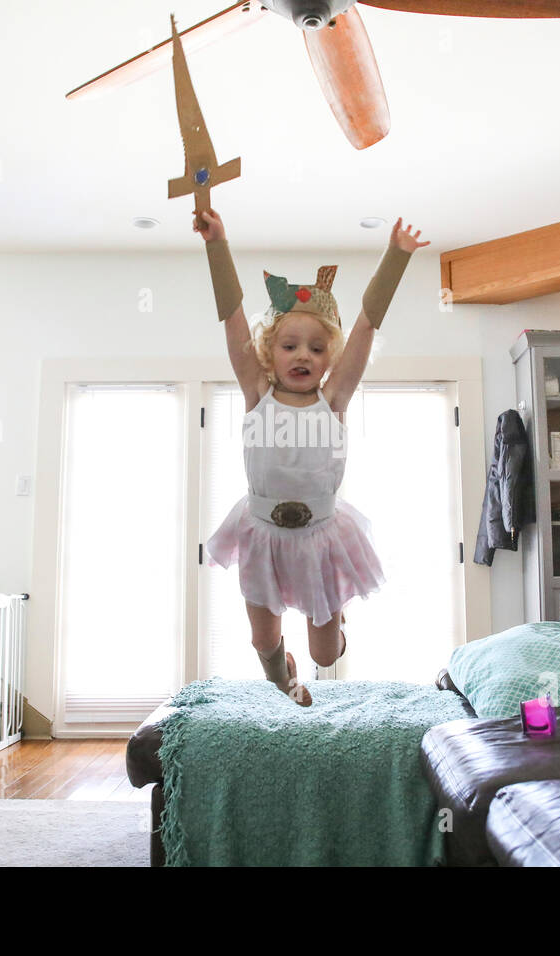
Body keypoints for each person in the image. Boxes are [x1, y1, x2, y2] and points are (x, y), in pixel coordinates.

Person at [193, 207, 429, 705]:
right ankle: (284, 678)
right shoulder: (256, 393)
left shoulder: (334, 400)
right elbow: (232, 318)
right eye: (290, 345)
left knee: (326, 656)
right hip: (261, 533)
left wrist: (396, 257)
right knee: (263, 640)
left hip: (320, 537)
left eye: (317, 349)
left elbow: (365, 327)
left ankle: (333, 625)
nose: (303, 355)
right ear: (267, 351)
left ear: (331, 359)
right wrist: (218, 243)